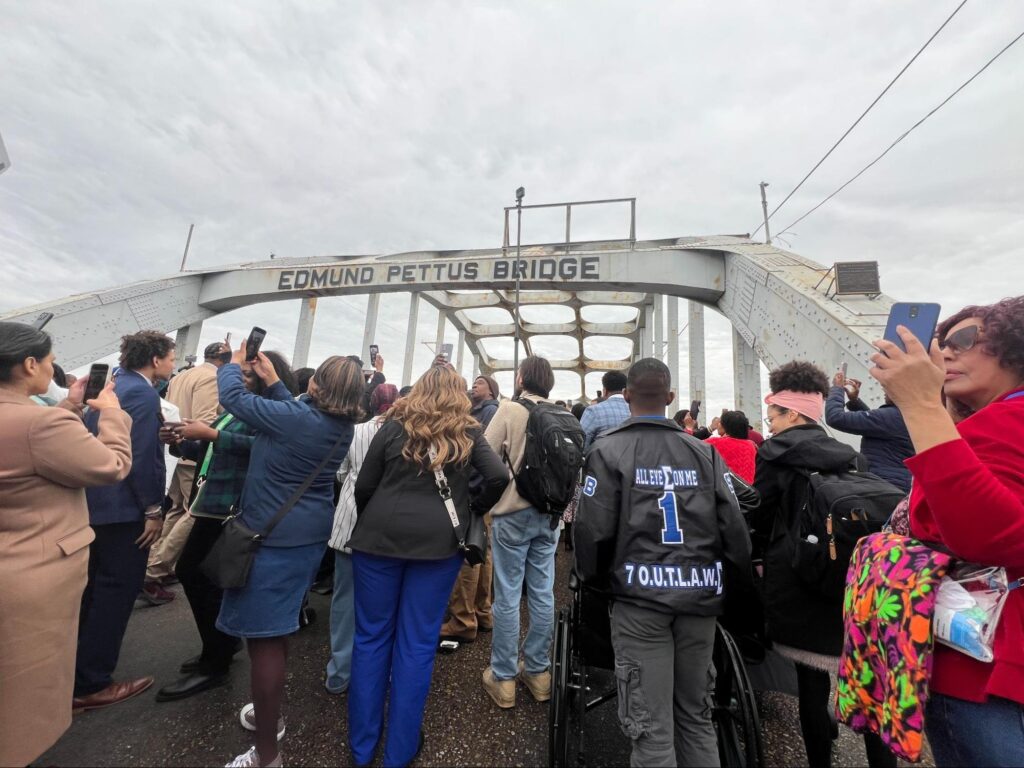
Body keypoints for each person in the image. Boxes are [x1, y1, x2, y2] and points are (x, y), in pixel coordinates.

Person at [869, 297, 1024, 766]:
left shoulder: (1002, 424)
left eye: (963, 339)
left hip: (987, 667)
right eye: (942, 343)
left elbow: (990, 534)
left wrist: (919, 404)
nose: (945, 354)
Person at [575, 358, 752, 767]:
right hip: (699, 599)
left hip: (640, 600)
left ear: (627, 395)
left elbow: (591, 533)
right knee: (696, 717)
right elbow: (734, 529)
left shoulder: (607, 449)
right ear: (671, 397)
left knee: (651, 732)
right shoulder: (703, 454)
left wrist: (600, 582)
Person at [347, 364, 507, 766]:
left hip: (378, 539)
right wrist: (473, 511)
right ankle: (398, 752)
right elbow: (499, 476)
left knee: (370, 638)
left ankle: (362, 748)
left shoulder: (395, 424)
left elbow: (364, 484)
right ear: (459, 393)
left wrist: (375, 519)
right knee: (416, 643)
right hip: (437, 545)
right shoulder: (466, 431)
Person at [220, 349, 363, 768]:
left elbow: (233, 399)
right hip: (305, 536)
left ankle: (267, 754)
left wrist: (231, 363)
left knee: (264, 643)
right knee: (278, 629)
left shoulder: (300, 419)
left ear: (316, 386)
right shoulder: (342, 427)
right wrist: (273, 380)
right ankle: (268, 717)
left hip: (271, 540)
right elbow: (295, 415)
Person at [0, 323, 133, 767]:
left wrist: (69, 408)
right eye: (51, 359)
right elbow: (110, 466)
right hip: (32, 573)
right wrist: (111, 412)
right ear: (30, 364)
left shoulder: (36, 419)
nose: (56, 367)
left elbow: (39, 455)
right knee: (20, 697)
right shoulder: (41, 422)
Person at [751, 360, 894, 768]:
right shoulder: (850, 456)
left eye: (773, 415)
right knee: (869, 688)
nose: (771, 423)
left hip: (802, 580)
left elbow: (760, 517)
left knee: (812, 689)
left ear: (792, 413)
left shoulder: (775, 453)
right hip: (856, 582)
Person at [154, 352, 297, 703]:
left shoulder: (270, 412)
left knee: (195, 572)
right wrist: (183, 441)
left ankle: (216, 659)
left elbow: (267, 448)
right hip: (212, 501)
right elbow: (209, 447)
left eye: (249, 375)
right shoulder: (240, 409)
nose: (241, 380)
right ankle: (219, 646)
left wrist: (212, 435)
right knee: (205, 575)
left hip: (230, 507)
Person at [74, 331, 176, 712]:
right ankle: (92, 681)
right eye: (170, 357)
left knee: (89, 591)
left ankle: (73, 669)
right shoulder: (145, 394)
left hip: (91, 504)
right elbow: (139, 458)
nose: (172, 364)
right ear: (155, 359)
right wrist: (153, 508)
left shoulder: (114, 385)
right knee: (115, 593)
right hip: (123, 508)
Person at [481, 356, 560, 709]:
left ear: (521, 378)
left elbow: (484, 452)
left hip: (513, 513)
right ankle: (540, 672)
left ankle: (504, 677)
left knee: (509, 594)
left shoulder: (510, 409)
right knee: (543, 592)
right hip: (550, 516)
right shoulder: (563, 414)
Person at [324, 381, 399, 697]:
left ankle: (340, 672)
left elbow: (340, 474)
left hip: (350, 523)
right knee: (386, 605)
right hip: (390, 527)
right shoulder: (403, 433)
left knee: (344, 600)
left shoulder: (355, 431)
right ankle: (383, 672)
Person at [143, 341, 232, 605]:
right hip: (197, 454)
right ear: (224, 361)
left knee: (176, 511)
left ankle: (154, 561)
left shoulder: (182, 375)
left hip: (178, 447)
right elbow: (206, 418)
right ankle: (153, 570)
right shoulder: (212, 378)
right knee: (193, 514)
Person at [438, 373, 503, 646]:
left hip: (473, 493)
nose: (473, 386)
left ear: (490, 391)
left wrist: (473, 495)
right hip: (483, 494)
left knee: (467, 555)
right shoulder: (487, 411)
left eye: (479, 383)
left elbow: (482, 458)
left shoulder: (485, 413)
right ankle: (483, 612)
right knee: (482, 552)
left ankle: (463, 619)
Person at [824, 372, 914, 492]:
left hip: (882, 488)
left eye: (888, 386)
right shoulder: (908, 415)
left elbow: (835, 418)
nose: (884, 389)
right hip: (899, 486)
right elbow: (879, 427)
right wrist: (855, 402)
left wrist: (836, 389)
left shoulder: (891, 417)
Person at [580, 370, 630, 451]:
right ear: (625, 390)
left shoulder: (593, 411)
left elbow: (581, 444)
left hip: (600, 462)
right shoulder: (637, 410)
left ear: (605, 391)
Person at [708, 410, 757, 483]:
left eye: (720, 422)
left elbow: (692, 443)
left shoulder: (713, 442)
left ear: (726, 426)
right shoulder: (751, 446)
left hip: (724, 490)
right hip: (747, 491)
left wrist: (710, 428)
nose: (718, 424)